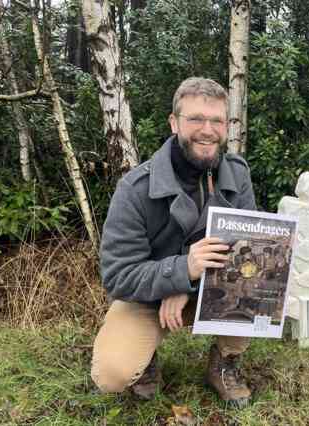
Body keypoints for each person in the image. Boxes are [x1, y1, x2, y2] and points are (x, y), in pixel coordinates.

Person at [91, 77, 256, 407]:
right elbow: (118, 275)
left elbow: (247, 248)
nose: (207, 130)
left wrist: (185, 285)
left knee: (258, 284)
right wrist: (180, 271)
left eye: (217, 121)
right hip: (147, 297)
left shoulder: (237, 174)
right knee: (113, 374)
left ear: (226, 126)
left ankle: (224, 362)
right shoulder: (134, 189)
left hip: (211, 287)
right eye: (195, 119)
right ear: (174, 122)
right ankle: (145, 361)